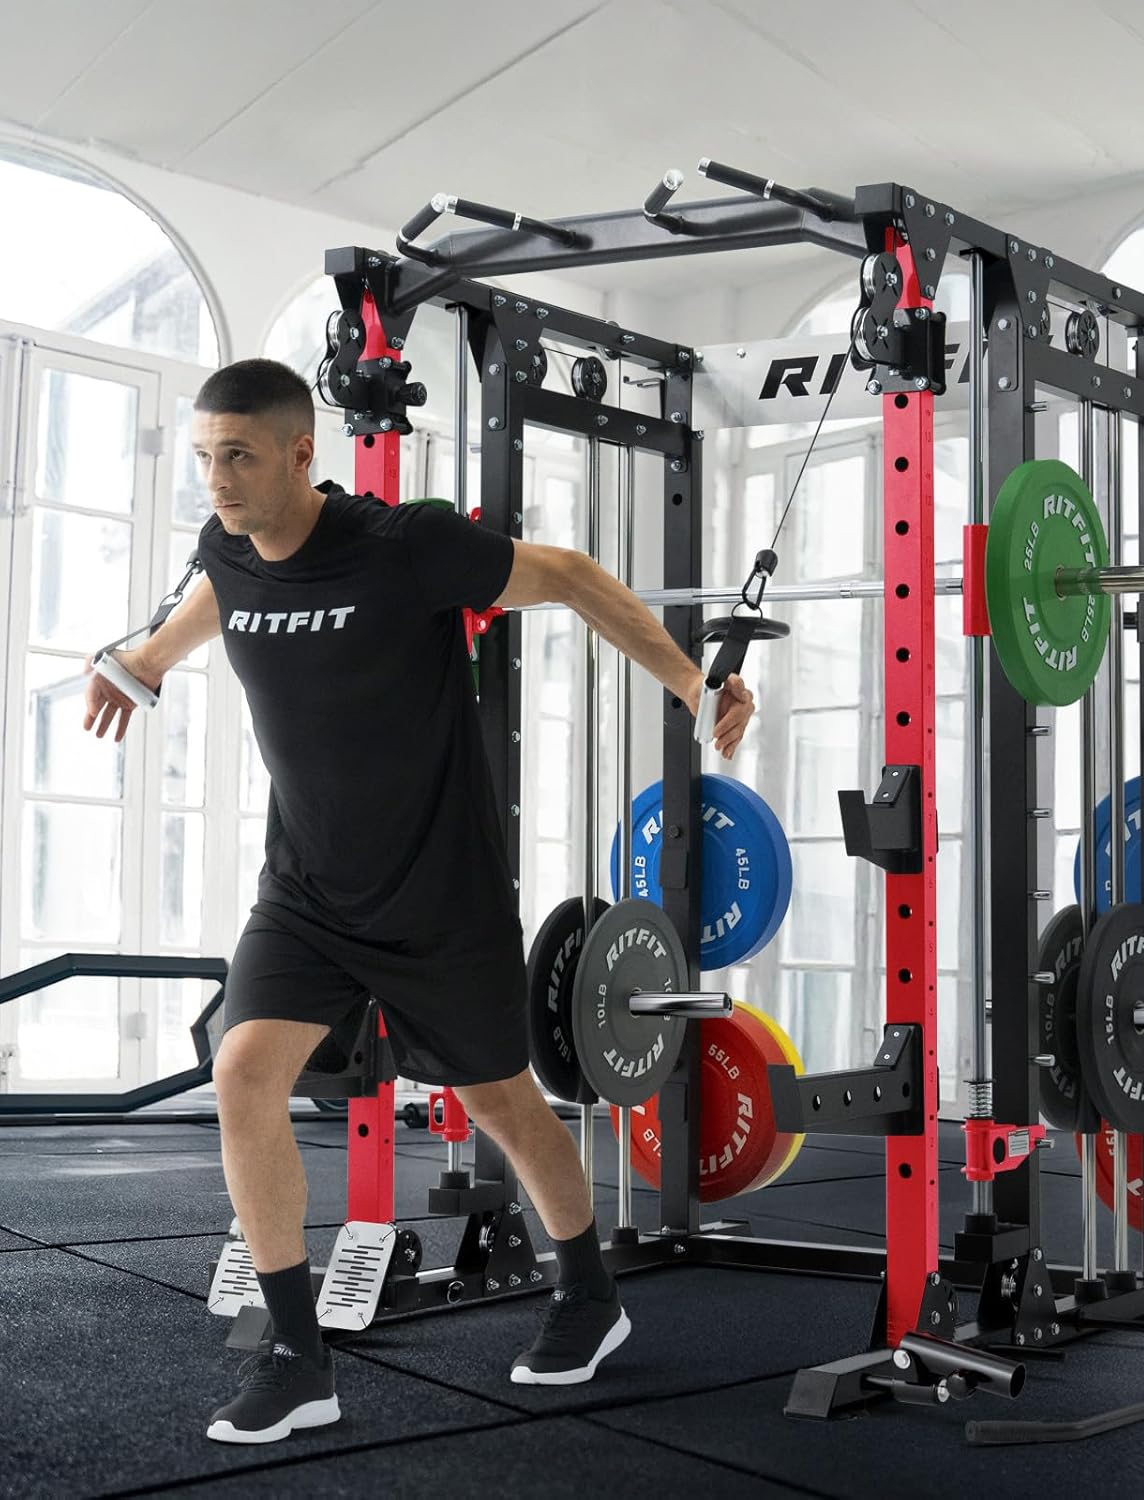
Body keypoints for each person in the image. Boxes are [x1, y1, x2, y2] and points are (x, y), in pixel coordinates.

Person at [82, 358, 755, 1446]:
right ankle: (299, 1356)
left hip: (441, 896)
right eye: (205, 457)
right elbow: (218, 596)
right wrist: (142, 662)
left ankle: (589, 1292)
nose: (218, 478)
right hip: (306, 893)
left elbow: (571, 574)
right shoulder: (227, 545)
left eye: (238, 455)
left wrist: (689, 682)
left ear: (302, 453)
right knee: (242, 1073)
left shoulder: (405, 549)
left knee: (502, 1105)